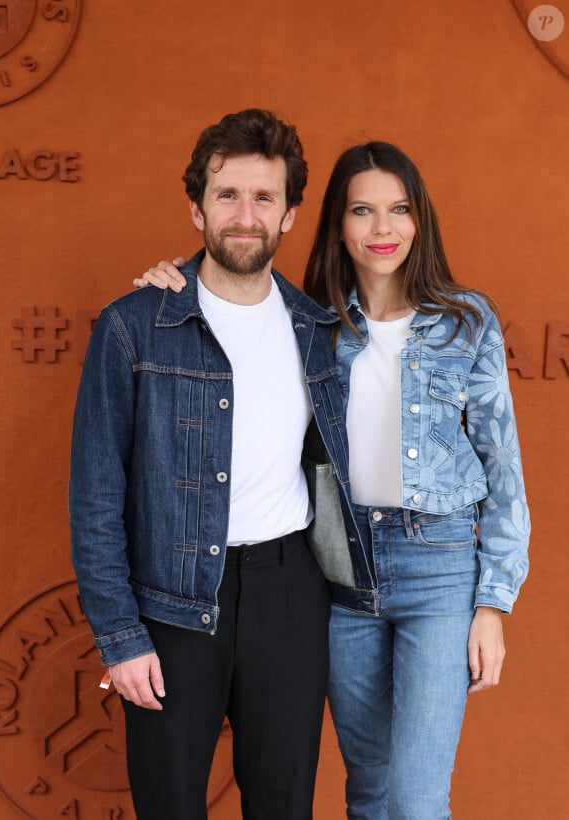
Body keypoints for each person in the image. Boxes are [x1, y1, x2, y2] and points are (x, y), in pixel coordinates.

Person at [137, 141, 530, 819]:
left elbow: (504, 470)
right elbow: (231, 307)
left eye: (399, 209)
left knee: (415, 799)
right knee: (368, 790)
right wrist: (173, 279)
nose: (383, 229)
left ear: (420, 219)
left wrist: (493, 603)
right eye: (362, 211)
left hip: (440, 567)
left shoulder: (466, 323)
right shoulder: (312, 323)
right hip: (340, 572)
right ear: (335, 224)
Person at [69, 109, 367, 820]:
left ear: (291, 214)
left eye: (264, 198)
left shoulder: (320, 333)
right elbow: (96, 496)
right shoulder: (134, 325)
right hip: (171, 604)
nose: (244, 215)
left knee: (283, 805)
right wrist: (119, 635)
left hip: (290, 595)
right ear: (195, 205)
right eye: (227, 194)